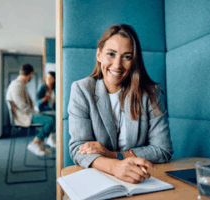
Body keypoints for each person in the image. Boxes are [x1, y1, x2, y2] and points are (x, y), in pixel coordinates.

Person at [68, 24, 173, 184]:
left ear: (134, 61)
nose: (117, 65)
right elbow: (78, 149)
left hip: (140, 180)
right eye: (111, 54)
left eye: (127, 57)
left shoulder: (151, 94)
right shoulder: (82, 90)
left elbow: (162, 150)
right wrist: (114, 167)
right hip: (97, 179)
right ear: (99, 54)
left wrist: (113, 155)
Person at [6, 64, 55, 156]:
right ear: (31, 74)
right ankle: (35, 143)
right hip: (23, 116)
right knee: (51, 120)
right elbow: (23, 107)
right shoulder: (17, 85)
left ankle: (40, 143)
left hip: (25, 114)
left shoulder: (20, 84)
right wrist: (36, 113)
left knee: (51, 118)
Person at [36, 71, 56, 148]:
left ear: (54, 79)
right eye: (47, 77)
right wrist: (45, 98)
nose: (47, 79)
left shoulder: (55, 88)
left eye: (50, 78)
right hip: (44, 110)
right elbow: (38, 103)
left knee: (59, 117)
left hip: (53, 110)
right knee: (55, 118)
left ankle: (50, 138)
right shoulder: (42, 88)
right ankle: (50, 138)